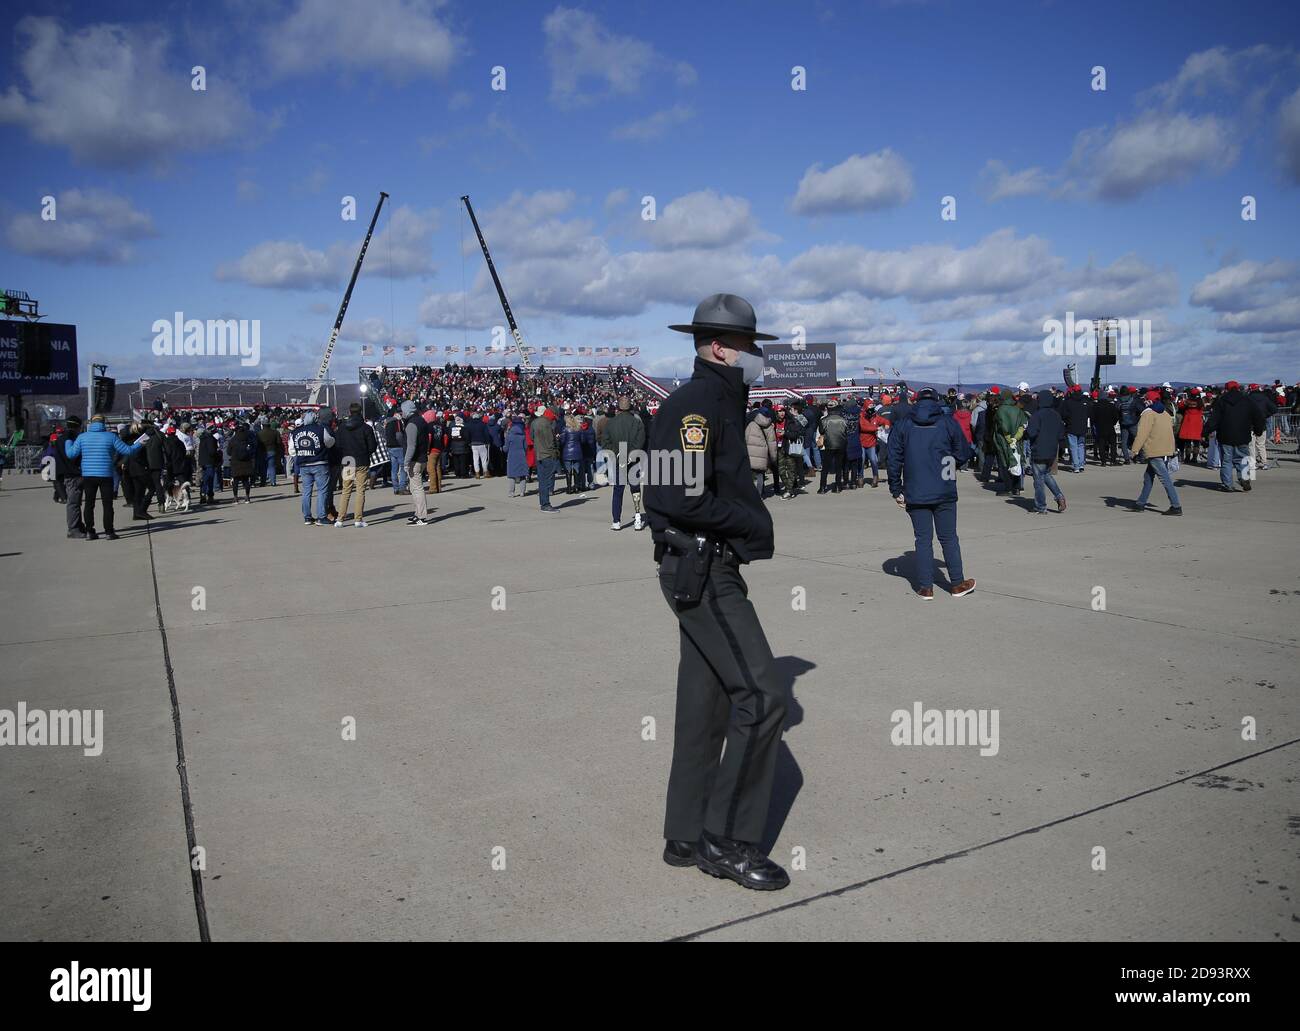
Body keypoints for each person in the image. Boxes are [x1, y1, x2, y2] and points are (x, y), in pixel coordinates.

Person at [644, 293, 789, 891]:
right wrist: (753, 523)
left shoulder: (720, 402)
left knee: (705, 707)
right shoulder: (696, 407)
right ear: (721, 347)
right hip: (703, 570)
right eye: (752, 347)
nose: (758, 357)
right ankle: (726, 840)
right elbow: (676, 497)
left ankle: (685, 831)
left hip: (703, 564)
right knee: (763, 695)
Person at [886, 388, 976, 599]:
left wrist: (896, 489)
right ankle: (956, 583)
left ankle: (926, 587)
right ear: (936, 401)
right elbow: (963, 451)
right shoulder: (947, 422)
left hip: (915, 489)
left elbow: (893, 459)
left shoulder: (904, 425)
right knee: (948, 537)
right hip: (943, 487)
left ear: (916, 401)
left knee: (923, 539)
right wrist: (950, 466)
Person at [65, 415, 144, 540]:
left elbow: (70, 454)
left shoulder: (82, 437)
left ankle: (90, 532)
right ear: (103, 423)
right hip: (106, 475)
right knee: (107, 505)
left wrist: (68, 441)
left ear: (91, 423)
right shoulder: (111, 437)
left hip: (88, 475)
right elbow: (128, 451)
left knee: (89, 504)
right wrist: (141, 443)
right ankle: (109, 532)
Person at [1128, 391, 1181, 515]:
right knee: (1148, 477)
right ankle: (1140, 503)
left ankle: (1176, 506)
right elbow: (1170, 433)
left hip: (1154, 450)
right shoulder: (1165, 413)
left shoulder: (1148, 414)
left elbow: (1142, 434)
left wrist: (1134, 450)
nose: (1144, 401)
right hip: (1164, 449)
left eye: (1145, 399)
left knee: (1165, 478)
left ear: (1149, 400)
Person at [1205, 380, 1264, 493]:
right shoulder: (1247, 400)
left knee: (1227, 461)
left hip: (1225, 435)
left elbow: (1214, 419)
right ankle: (1244, 478)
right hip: (1243, 434)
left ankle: (1227, 484)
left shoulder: (1222, 401)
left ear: (1226, 389)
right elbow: (1258, 416)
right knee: (1243, 459)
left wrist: (1206, 431)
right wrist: (1258, 430)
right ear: (1238, 388)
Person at [600, 395, 647, 529]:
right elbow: (640, 441)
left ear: (618, 408)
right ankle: (638, 517)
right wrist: (631, 453)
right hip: (634, 459)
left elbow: (605, 442)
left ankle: (616, 521)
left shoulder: (611, 423)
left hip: (619, 458)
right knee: (635, 489)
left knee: (618, 491)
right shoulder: (637, 422)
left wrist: (617, 452)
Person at [334, 402, 377, 527]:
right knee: (360, 490)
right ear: (360, 412)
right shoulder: (366, 428)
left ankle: (340, 519)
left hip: (348, 460)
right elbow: (373, 446)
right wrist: (366, 452)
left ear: (349, 412)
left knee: (346, 490)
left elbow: (338, 445)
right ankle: (358, 519)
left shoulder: (342, 428)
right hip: (362, 460)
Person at [1025, 390, 1067, 514]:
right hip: (1052, 450)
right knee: (1046, 474)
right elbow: (1061, 434)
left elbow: (1032, 433)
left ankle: (1041, 506)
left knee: (1038, 480)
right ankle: (1059, 496)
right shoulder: (1056, 415)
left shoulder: (1037, 415)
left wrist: (1025, 432)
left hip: (1039, 449)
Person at [293, 409, 334, 523]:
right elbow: (329, 442)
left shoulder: (296, 432)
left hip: (303, 464)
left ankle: (307, 517)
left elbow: (292, 449)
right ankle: (321, 516)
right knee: (322, 490)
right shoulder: (321, 429)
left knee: (306, 491)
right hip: (319, 462)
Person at [400, 400, 431, 525]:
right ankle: (417, 513)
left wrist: (406, 462)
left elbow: (411, 446)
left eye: (402, 411)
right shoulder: (421, 420)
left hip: (415, 460)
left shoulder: (412, 424)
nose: (401, 413)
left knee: (417, 488)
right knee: (414, 488)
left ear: (407, 411)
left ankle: (421, 515)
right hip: (422, 457)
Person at [55, 416, 85, 538]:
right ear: (78, 426)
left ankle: (78, 524)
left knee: (75, 502)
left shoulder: (60, 439)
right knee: (73, 502)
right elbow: (73, 456)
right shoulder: (72, 438)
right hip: (73, 473)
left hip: (66, 473)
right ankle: (73, 528)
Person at [531, 405, 560, 513]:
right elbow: (551, 442)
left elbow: (532, 437)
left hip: (538, 454)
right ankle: (546, 504)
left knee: (542, 481)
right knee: (546, 481)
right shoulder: (548, 424)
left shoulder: (535, 422)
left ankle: (543, 503)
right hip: (548, 455)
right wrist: (555, 452)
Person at [744, 404, 776, 498]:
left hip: (750, 453)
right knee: (760, 475)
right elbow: (772, 443)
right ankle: (759, 495)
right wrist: (773, 458)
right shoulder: (769, 426)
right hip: (762, 453)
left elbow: (745, 438)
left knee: (749, 475)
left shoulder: (751, 424)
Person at [818, 398, 848, 493]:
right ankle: (838, 486)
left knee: (825, 467)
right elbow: (847, 432)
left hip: (829, 444)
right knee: (839, 467)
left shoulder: (824, 420)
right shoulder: (843, 420)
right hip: (841, 445)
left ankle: (822, 487)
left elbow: (821, 431)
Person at [225, 420, 256, 504]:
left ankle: (235, 498)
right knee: (246, 480)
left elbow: (228, 452)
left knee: (235, 481)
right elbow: (252, 449)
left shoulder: (233, 440)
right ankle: (247, 497)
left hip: (236, 462)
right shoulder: (248, 439)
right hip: (246, 461)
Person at [504, 414, 529, 497]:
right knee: (522, 475)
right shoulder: (523, 436)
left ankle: (512, 492)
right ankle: (522, 492)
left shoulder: (509, 436)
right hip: (521, 456)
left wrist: (503, 448)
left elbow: (506, 448)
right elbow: (526, 447)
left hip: (512, 456)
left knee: (512, 475)